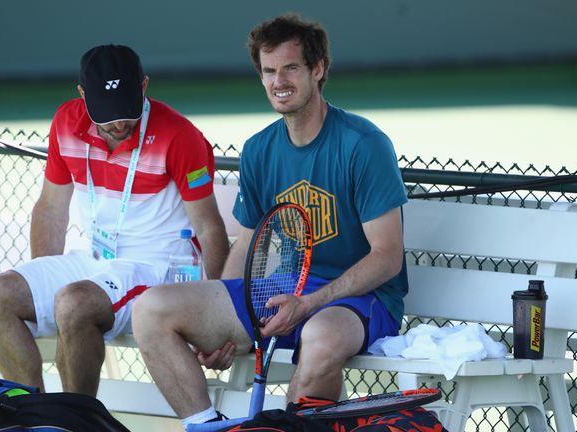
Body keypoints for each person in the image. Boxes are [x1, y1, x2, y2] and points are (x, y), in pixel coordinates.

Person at [132, 13, 409, 428]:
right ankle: (207, 425)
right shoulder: (259, 149)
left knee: (319, 338)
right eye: (269, 71)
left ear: (318, 70)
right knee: (150, 308)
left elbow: (387, 257)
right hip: (281, 294)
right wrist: (226, 310)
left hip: (360, 302)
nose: (279, 81)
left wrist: (310, 304)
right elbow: (247, 243)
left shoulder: (364, 145)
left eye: (291, 68)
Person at [0, 44, 230, 397]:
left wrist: (218, 314)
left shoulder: (179, 134)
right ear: (82, 95)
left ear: (143, 87)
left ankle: (76, 420)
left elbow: (209, 227)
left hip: (155, 267)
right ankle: (32, 413)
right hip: (92, 259)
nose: (118, 122)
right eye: (106, 113)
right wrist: (41, 289)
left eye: (126, 108)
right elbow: (50, 208)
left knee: (74, 302)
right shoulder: (65, 121)